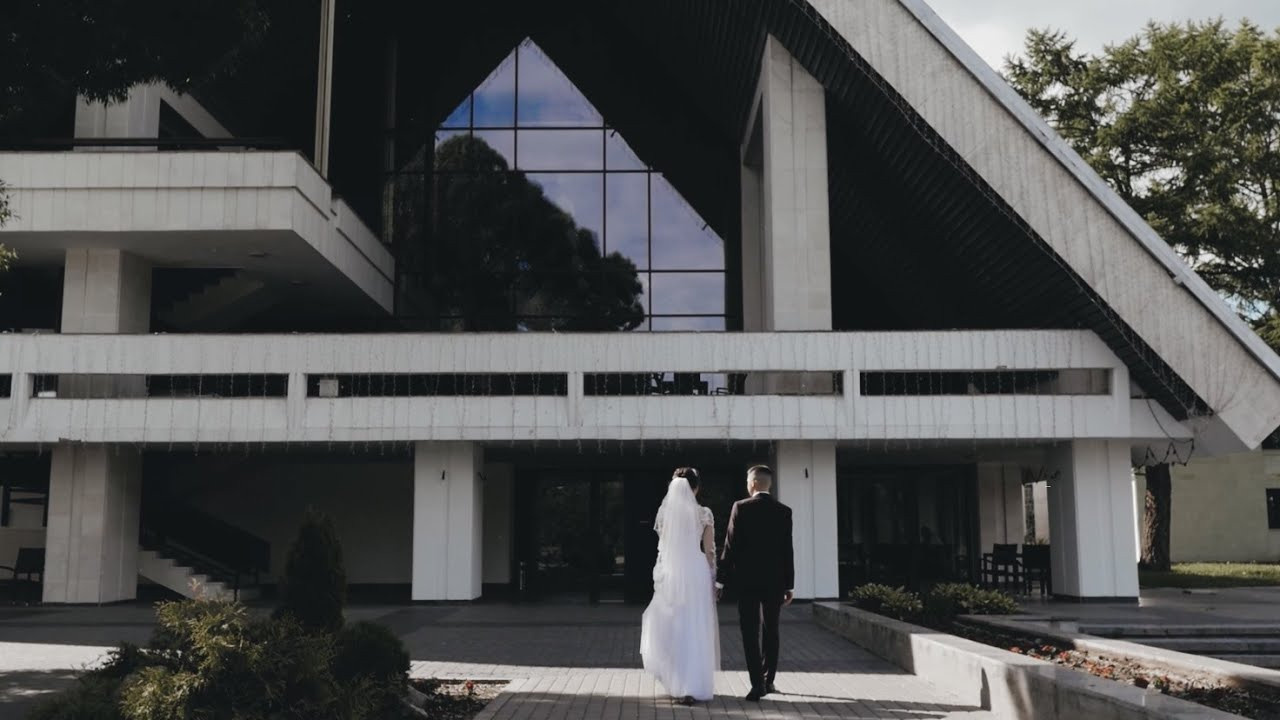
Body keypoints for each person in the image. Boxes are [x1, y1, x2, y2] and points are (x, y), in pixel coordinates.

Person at [639, 467, 720, 704]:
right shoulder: (704, 514)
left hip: (673, 571)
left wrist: (660, 574)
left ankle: (676, 680)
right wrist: (713, 577)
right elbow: (709, 551)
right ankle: (693, 682)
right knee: (694, 625)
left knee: (673, 624)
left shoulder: (665, 515)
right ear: (696, 488)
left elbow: (663, 548)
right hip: (695, 571)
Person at [716, 465, 794, 702]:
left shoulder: (740, 507)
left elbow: (730, 545)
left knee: (750, 632)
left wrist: (720, 580)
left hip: (747, 581)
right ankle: (769, 680)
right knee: (772, 630)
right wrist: (789, 585)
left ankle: (756, 684)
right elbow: (786, 550)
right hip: (775, 581)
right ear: (768, 484)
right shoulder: (784, 511)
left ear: (751, 484)